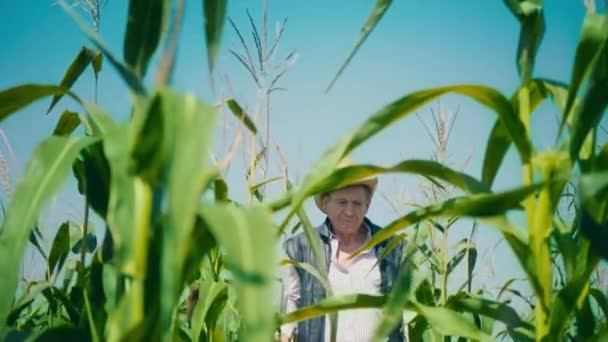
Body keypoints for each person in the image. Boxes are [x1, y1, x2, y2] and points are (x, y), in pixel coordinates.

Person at [281, 162, 406, 341]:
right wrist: (285, 334)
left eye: (357, 203)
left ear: (367, 205)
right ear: (325, 203)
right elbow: (291, 302)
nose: (349, 211)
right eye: (342, 202)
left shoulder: (391, 248)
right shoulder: (301, 247)